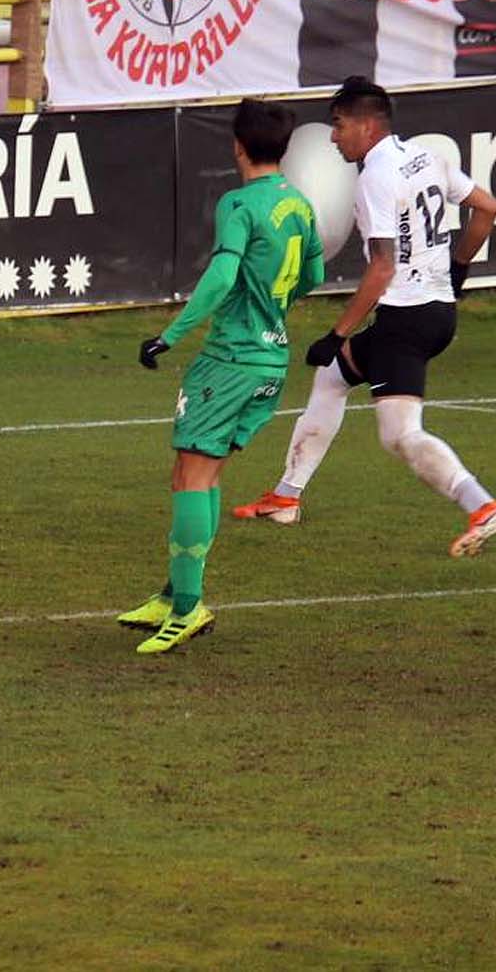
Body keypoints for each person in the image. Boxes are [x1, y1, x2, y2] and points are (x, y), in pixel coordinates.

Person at [233, 76, 496, 557]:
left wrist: (336, 331)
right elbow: (487, 208)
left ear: (366, 126)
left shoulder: (374, 177)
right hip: (432, 311)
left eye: (338, 124)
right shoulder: (428, 156)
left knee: (401, 435)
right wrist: (458, 271)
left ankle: (483, 506)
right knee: (332, 377)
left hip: (404, 323)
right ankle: (286, 495)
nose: (332, 136)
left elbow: (383, 267)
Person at [125, 99, 325, 653]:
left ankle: (187, 608)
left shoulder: (239, 203)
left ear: (238, 145)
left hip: (231, 358)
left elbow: (220, 276)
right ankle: (174, 593)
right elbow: (314, 273)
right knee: (195, 472)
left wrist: (170, 335)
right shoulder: (300, 206)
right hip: (271, 360)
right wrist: (271, 307)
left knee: (193, 476)